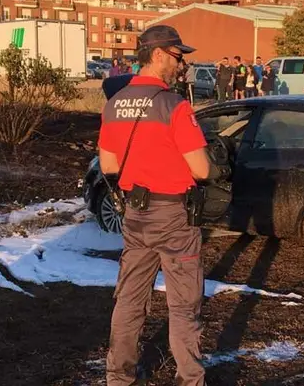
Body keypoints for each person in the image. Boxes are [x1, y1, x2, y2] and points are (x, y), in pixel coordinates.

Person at [98, 25, 228, 386]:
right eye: (177, 56)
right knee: (184, 307)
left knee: (128, 302)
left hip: (135, 215)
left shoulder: (114, 104)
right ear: (158, 55)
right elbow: (201, 168)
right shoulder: (175, 105)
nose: (181, 64)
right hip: (173, 215)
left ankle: (118, 378)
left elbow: (108, 166)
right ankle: (190, 380)